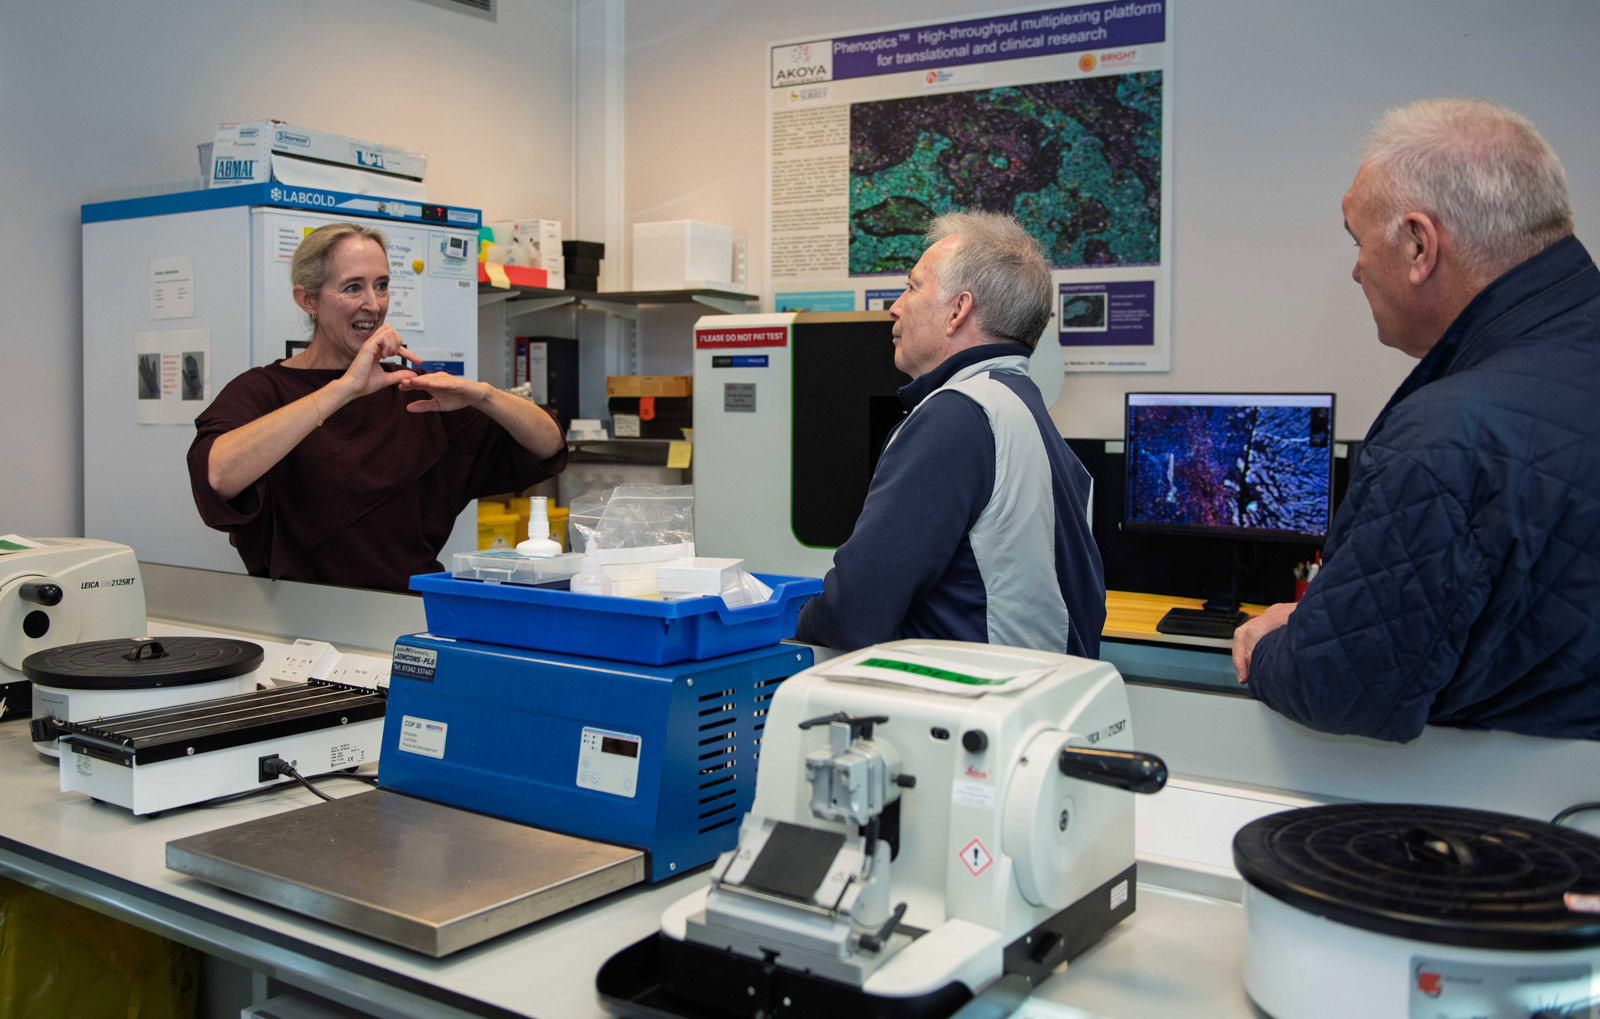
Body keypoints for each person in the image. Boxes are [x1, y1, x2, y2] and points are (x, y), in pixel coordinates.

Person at [1233, 98, 1600, 742]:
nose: (1354, 268)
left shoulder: (1447, 437)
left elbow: (1341, 686)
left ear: (1419, 245)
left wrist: (1273, 644)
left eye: (1357, 239)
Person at [187, 222, 566, 591]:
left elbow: (548, 444)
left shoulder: (411, 393)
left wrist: (485, 395)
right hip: (296, 624)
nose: (373, 304)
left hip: (403, 617)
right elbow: (217, 475)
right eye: (353, 287)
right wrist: (344, 389)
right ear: (308, 300)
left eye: (381, 286)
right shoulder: (262, 391)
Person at [794, 211, 1105, 656]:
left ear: (958, 310)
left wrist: (786, 621)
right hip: (1033, 700)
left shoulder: (957, 417)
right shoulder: (1020, 408)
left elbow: (854, 615)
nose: (895, 306)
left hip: (974, 704)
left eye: (912, 287)